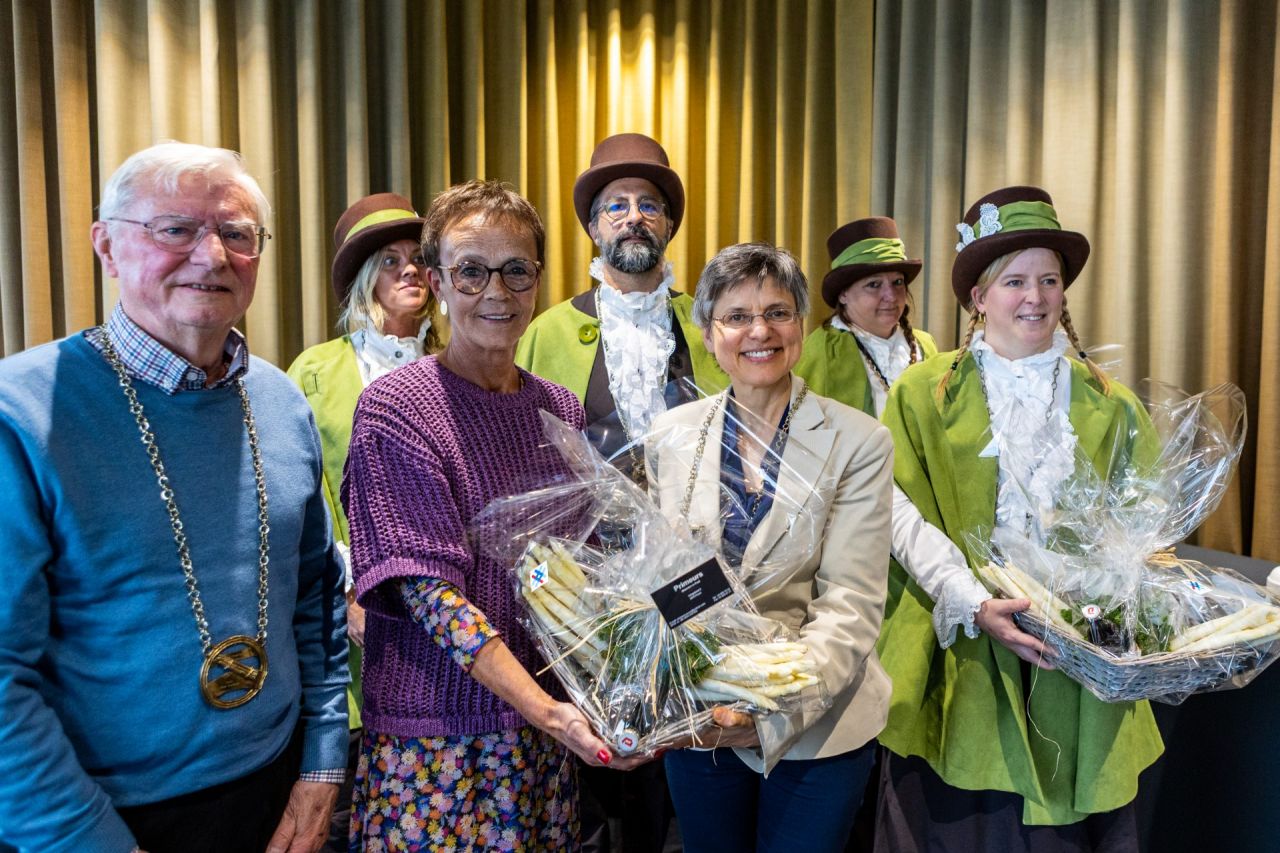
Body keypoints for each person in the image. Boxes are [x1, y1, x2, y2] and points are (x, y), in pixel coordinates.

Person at [0, 141, 349, 853]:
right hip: (101, 816)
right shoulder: (20, 415)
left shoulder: (282, 403)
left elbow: (316, 600)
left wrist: (322, 762)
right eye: (175, 229)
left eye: (237, 233)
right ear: (107, 245)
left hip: (280, 795)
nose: (211, 255)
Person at [342, 180, 646, 851]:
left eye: (516, 270)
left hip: (543, 738)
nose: (496, 293)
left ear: (538, 278)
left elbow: (581, 576)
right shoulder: (397, 408)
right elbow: (428, 594)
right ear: (437, 282)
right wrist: (550, 712)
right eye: (471, 271)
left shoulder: (560, 408)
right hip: (439, 745)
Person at [874, 186, 1163, 851]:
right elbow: (893, 507)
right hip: (963, 653)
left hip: (1075, 661)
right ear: (977, 296)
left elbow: (1142, 520)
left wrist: (1097, 594)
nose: (1035, 296)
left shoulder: (1111, 402)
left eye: (1049, 280)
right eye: (1013, 281)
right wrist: (971, 599)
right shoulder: (922, 393)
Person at [647, 242, 895, 852]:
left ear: (802, 326)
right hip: (700, 720)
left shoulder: (858, 441)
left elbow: (850, 602)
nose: (759, 331)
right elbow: (666, 580)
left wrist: (766, 712)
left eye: (778, 312)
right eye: (736, 316)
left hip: (819, 723)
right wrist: (680, 685)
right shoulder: (670, 436)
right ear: (708, 334)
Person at [286, 192, 438, 850]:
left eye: (419, 260)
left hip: (442, 607)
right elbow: (303, 489)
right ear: (362, 280)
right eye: (391, 261)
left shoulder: (459, 362)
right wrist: (353, 586)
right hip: (348, 616)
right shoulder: (316, 371)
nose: (410, 272)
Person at [516, 132, 727, 486]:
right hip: (583, 535)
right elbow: (523, 453)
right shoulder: (547, 332)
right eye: (617, 206)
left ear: (669, 225)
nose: (634, 218)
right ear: (594, 229)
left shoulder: (709, 322)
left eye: (649, 206)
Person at [794, 216, 938, 417]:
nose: (891, 296)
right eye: (874, 285)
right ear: (843, 294)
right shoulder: (820, 350)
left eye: (897, 282)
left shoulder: (924, 344)